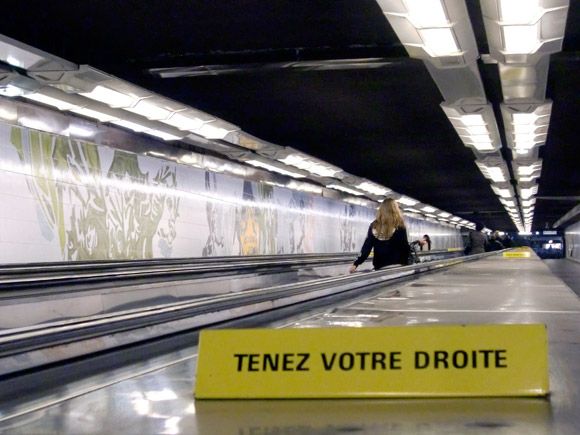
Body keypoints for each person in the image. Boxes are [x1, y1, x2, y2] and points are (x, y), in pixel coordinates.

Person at [349, 198, 410, 273]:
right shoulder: (399, 225)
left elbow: (366, 247)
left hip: (380, 268)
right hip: (398, 267)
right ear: (395, 209)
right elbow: (405, 247)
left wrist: (356, 263)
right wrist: (407, 264)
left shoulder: (374, 226)